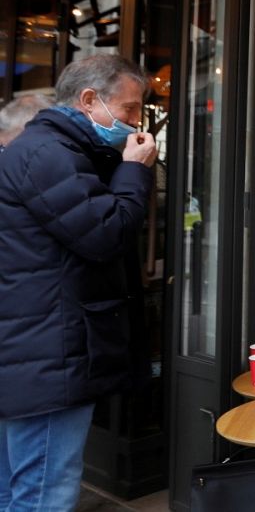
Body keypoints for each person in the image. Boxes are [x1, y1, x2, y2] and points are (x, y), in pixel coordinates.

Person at [0, 56, 157, 512]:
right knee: (44, 493)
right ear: (89, 100)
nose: (133, 121)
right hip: (49, 355)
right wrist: (136, 170)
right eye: (128, 109)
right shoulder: (49, 154)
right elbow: (104, 234)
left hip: (33, 351)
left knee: (17, 489)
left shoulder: (45, 149)